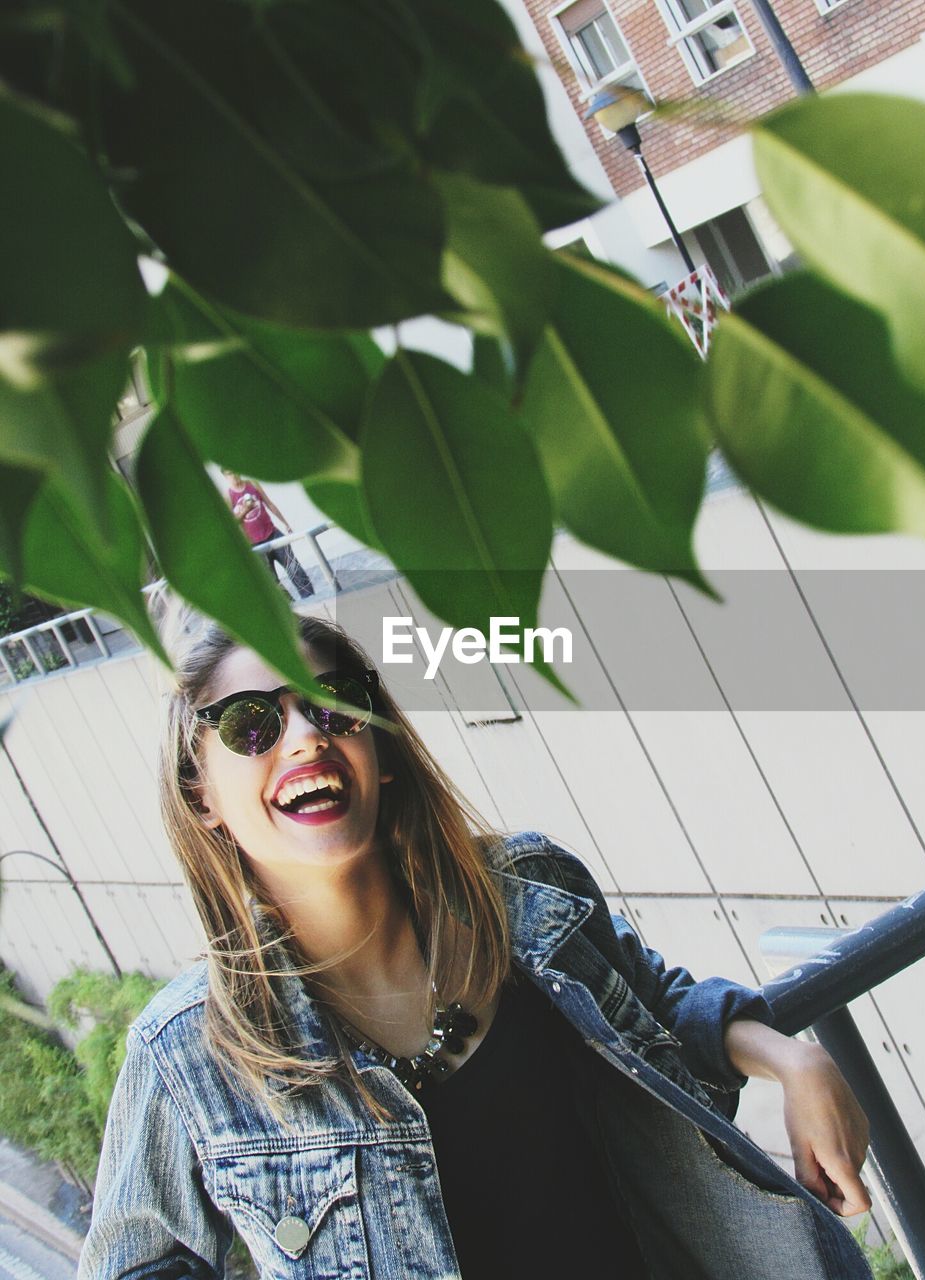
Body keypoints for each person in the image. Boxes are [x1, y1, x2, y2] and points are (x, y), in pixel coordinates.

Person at [78, 613, 873, 1280]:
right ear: (201, 794)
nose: (304, 739)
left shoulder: (527, 893)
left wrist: (794, 1060)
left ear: (380, 748)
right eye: (251, 724)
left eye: (334, 706)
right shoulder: (189, 1053)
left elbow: (654, 1002)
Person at [222, 469, 314, 601]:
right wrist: (245, 510)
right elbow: (233, 523)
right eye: (230, 474)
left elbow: (269, 503)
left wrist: (285, 523)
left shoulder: (252, 484)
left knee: (294, 569)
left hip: (272, 533)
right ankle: (291, 608)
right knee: (272, 581)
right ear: (225, 477)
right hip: (254, 544)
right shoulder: (228, 497)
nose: (234, 476)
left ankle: (310, 598)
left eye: (235, 472)